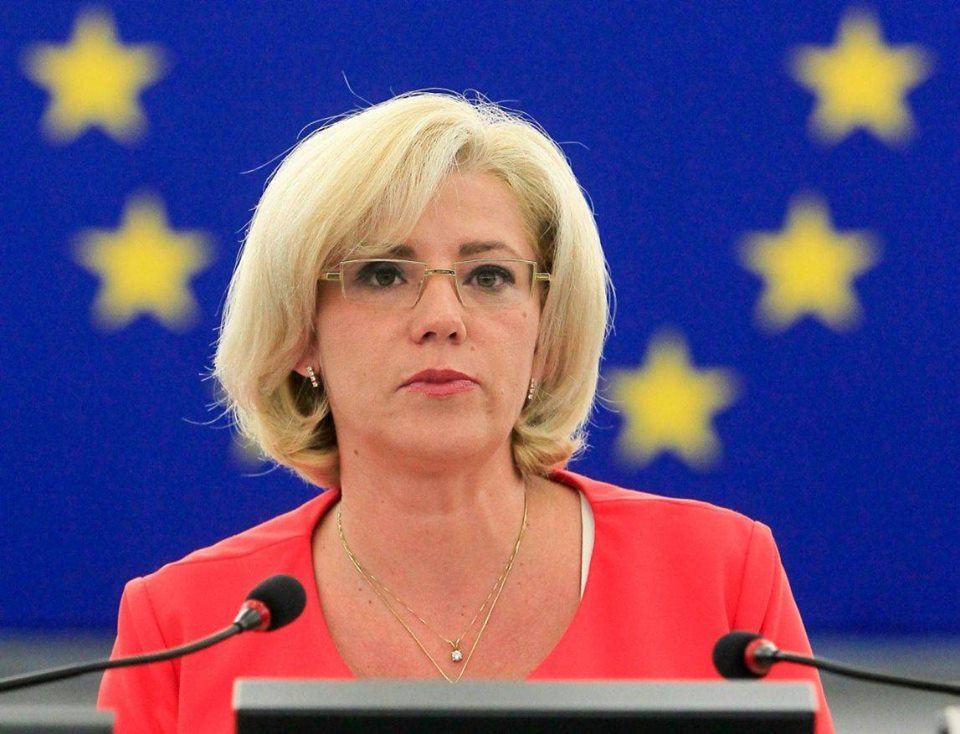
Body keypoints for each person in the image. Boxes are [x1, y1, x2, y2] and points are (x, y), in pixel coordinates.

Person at [97, 92, 833, 733]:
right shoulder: (188, 627)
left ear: (546, 331)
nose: (442, 319)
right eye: (383, 274)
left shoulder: (720, 577)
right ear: (301, 334)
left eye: (488, 276)